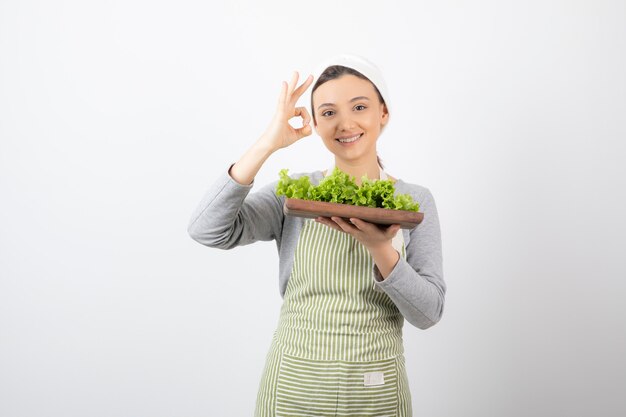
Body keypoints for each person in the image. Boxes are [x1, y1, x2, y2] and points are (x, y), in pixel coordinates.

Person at [187, 54, 446, 417]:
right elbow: (207, 230)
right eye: (328, 113)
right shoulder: (294, 194)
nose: (345, 123)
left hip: (376, 392)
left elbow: (428, 313)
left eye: (359, 106)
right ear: (317, 124)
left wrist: (380, 248)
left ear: (383, 112)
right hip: (293, 387)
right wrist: (267, 143)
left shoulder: (412, 202)